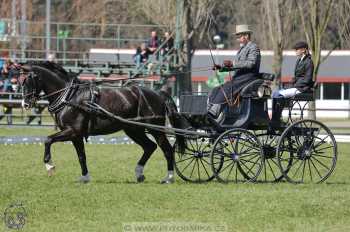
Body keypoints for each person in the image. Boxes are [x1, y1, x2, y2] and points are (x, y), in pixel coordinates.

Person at [208, 24, 261, 123]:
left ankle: (214, 112)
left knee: (227, 88)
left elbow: (251, 63)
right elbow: (236, 66)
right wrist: (221, 68)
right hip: (239, 77)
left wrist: (232, 63)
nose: (238, 39)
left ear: (246, 36)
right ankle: (210, 109)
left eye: (239, 36)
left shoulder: (253, 47)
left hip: (248, 77)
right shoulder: (242, 49)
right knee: (216, 89)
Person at [270, 41, 314, 128]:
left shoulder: (309, 62)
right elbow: (297, 76)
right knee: (274, 93)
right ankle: (276, 118)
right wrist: (290, 83)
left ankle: (276, 119)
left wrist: (294, 84)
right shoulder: (299, 61)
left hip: (302, 88)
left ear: (304, 50)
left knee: (278, 94)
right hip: (296, 86)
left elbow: (307, 79)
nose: (296, 51)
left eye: (297, 49)